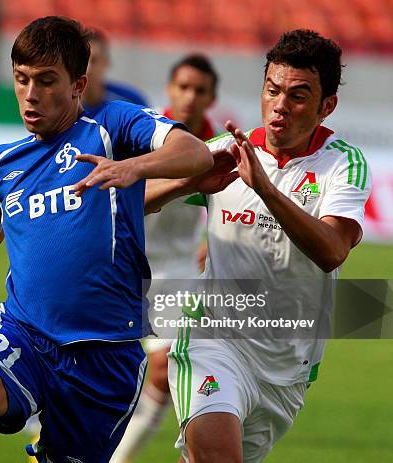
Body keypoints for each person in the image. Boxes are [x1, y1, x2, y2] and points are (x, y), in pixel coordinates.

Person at [0, 16, 213, 463]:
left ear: (78, 84)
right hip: (24, 333)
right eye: (22, 80)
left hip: (105, 353)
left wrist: (134, 167)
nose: (31, 94)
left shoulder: (111, 127)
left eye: (46, 81)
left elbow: (194, 153)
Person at [145, 29, 371, 462]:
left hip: (286, 367)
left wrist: (266, 190)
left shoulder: (344, 165)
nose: (280, 106)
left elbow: (332, 251)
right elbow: (133, 204)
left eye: (298, 96)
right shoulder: (228, 152)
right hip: (212, 340)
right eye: (273, 90)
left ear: (327, 107)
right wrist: (185, 182)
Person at [112, 53, 222, 463]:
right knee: (103, 370)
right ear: (170, 90)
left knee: (164, 372)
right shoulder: (147, 133)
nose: (190, 96)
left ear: (212, 98)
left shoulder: (220, 148)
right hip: (123, 265)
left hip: (175, 273)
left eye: (200, 90)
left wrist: (215, 237)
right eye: (184, 87)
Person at [81, 28, 149, 112]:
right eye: (82, 61)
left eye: (94, 60)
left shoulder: (133, 102)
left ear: (106, 63)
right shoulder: (63, 105)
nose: (88, 68)